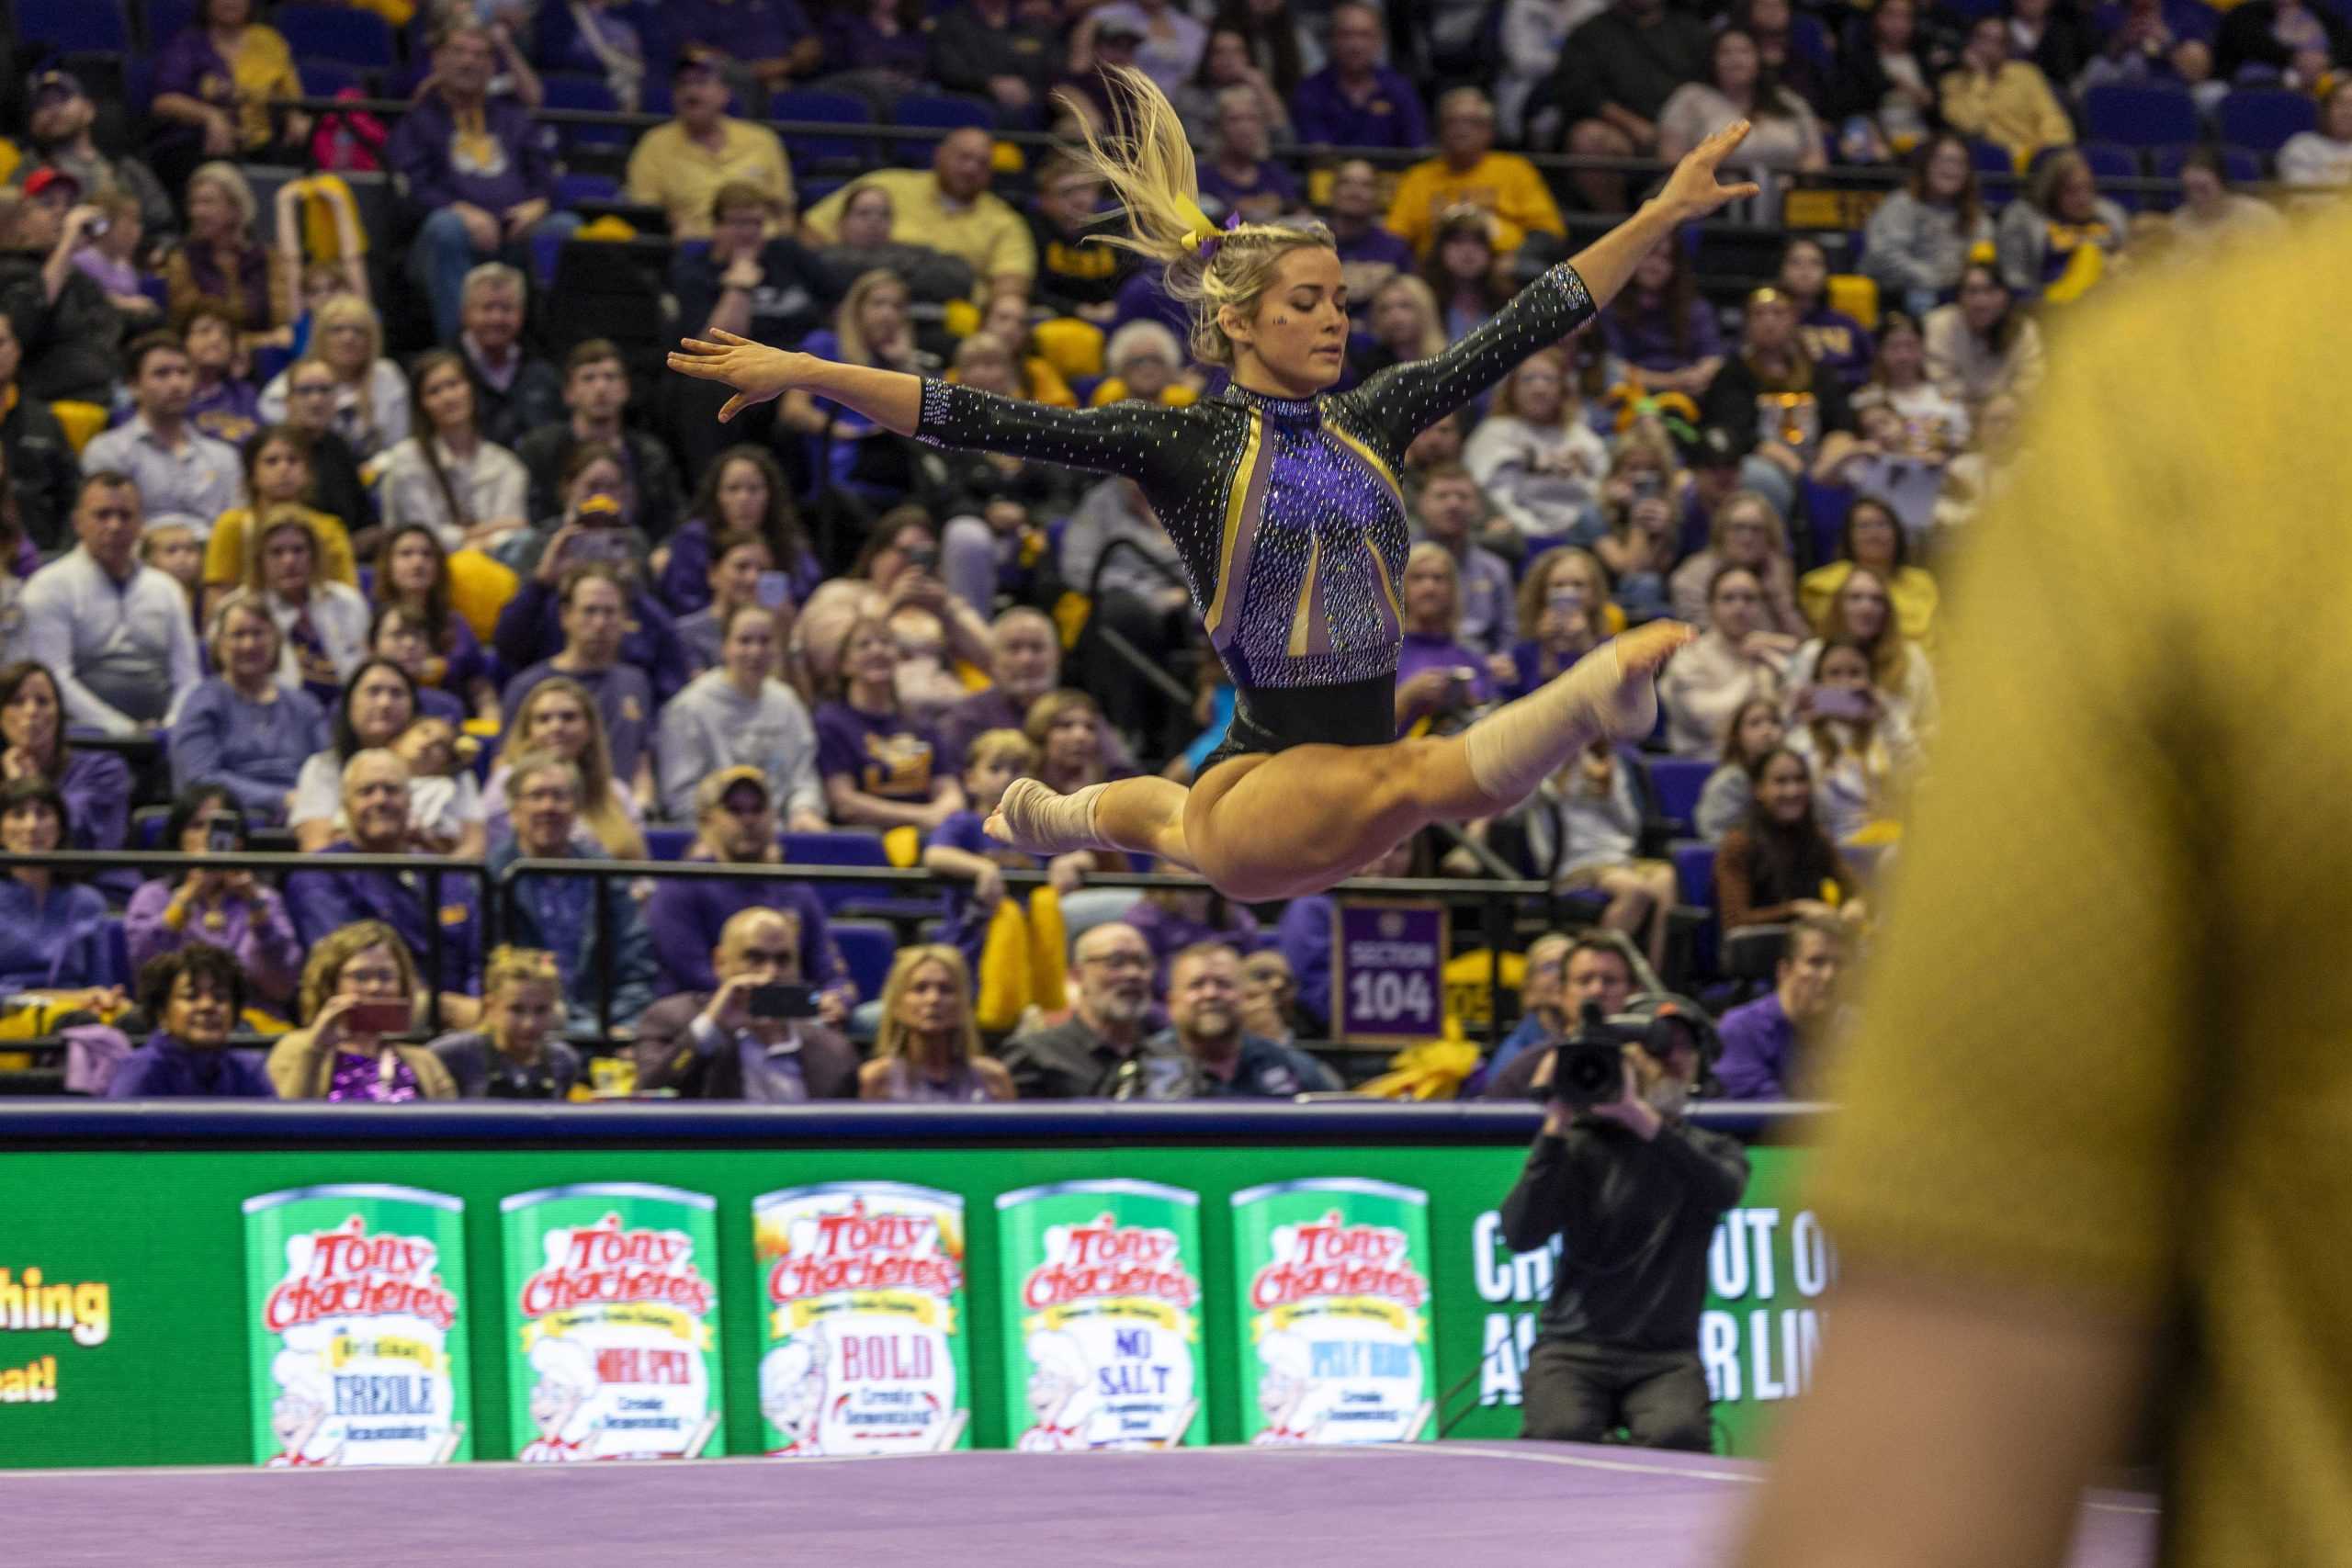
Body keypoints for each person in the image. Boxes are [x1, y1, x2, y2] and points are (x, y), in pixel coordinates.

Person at [672, 75, 1759, 904]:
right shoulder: (1184, 444)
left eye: (1340, 299)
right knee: (1413, 781)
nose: (1335, 319)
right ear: (1238, 321)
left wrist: (1663, 211)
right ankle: (1593, 696)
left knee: (1180, 821)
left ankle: (1056, 816)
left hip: (1275, 789)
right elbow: (974, 414)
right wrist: (808, 370)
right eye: (1305, 302)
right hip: (1281, 783)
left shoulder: (1376, 415)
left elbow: (1540, 312)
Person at [1498, 1006, 1747, 1449]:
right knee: (1560, 1434)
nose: (1673, 1058)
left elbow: (1722, 1191)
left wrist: (1638, 1116)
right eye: (1658, 1048)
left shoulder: (1712, 1151)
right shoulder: (1579, 1145)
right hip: (1573, 1350)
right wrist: (1556, 1125)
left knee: (1679, 1435)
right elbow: (1520, 1235)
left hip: (1666, 1357)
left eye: (1685, 1048)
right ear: (1627, 1062)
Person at [390, 17, 580, 344]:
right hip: (447, 244)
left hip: (515, 236)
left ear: (493, 65)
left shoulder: (512, 117)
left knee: (565, 228)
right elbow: (412, 189)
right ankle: (462, 355)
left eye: (481, 55)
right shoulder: (417, 121)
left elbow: (546, 175)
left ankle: (562, 350)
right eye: (459, 51)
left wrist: (538, 205)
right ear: (437, 59)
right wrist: (461, 210)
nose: (469, 61)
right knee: (445, 227)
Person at [642, 767, 851, 1011]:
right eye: (735, 810)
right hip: (704, 1022)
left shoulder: (795, 888)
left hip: (792, 1022)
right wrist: (806, 1004)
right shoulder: (680, 886)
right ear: (707, 820)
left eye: (757, 809)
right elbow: (700, 982)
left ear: (772, 817)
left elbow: (832, 977)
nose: (749, 820)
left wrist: (834, 1002)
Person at [489, 751, 660, 1031]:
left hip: (601, 1024)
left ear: (576, 808)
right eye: (536, 796)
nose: (548, 807)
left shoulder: (605, 874)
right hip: (518, 1027)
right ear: (514, 809)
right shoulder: (492, 877)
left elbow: (636, 966)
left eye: (559, 796)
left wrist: (621, 1025)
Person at [20, 475, 202, 737]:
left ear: (141, 525)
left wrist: (174, 727)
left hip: (164, 736)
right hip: (86, 739)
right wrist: (125, 730)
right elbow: (54, 679)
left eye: (125, 515)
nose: (114, 526)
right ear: (78, 522)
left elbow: (188, 677)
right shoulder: (49, 587)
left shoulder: (166, 588)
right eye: (102, 515)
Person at [634, 906, 863, 1101]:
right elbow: (650, 1094)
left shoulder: (833, 1049)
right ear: (720, 962)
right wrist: (712, 1026)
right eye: (755, 958)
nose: (770, 973)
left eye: (783, 960)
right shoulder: (671, 1020)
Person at [800, 129, 1035, 308]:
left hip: (952, 319)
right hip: (864, 311)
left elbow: (1011, 285)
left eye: (982, 163)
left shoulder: (1005, 221)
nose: (971, 168)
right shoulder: (886, 185)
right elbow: (810, 233)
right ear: (939, 155)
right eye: (963, 157)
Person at [500, 566, 661, 803]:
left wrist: (641, 804)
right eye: (589, 611)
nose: (600, 622)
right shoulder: (528, 685)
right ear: (565, 615)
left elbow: (641, 761)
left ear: (625, 617)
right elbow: (504, 763)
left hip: (616, 812)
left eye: (610, 612)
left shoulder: (635, 681)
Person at [658, 603, 828, 826]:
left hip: (782, 834)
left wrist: (804, 810)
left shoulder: (787, 703)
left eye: (765, 641)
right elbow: (680, 797)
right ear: (724, 647)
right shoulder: (689, 708)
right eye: (744, 641)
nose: (756, 652)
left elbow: (804, 780)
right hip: (713, 836)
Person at [167, 599, 328, 818]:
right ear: (220, 644)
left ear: (275, 640)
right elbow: (199, 780)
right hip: (230, 818)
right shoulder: (202, 702)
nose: (249, 644)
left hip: (304, 816)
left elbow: (328, 771)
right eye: (238, 635)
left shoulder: (305, 705)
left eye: (258, 633)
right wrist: (279, 799)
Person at [266, 919, 460, 1100]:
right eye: (360, 976)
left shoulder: (424, 1061)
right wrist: (316, 1048)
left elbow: (453, 1129)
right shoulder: (296, 1048)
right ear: (332, 984)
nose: (374, 987)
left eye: (385, 976)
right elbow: (284, 1124)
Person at [1548, 0, 1715, 210]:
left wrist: (1675, 132)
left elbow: (1712, 88)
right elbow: (1577, 91)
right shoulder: (1590, 34)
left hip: (1687, 134)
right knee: (1588, 138)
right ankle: (1620, 230)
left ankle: (1683, 230)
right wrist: (1632, 125)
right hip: (1624, 138)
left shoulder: (1693, 32)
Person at [513, 341, 686, 540]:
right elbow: (527, 516)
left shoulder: (650, 454)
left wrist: (662, 551)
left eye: (610, 377)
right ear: (568, 393)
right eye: (588, 378)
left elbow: (671, 519)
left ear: (626, 389)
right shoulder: (539, 449)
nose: (601, 387)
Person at [999, 919, 1189, 1099]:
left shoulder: (1174, 1059)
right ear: (1078, 976)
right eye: (1116, 962)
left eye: (1142, 962)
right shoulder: (1035, 1055)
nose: (1133, 973)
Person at [814, 615, 964, 831]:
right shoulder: (832, 721)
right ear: (846, 664)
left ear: (898, 658)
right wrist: (922, 817)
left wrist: (944, 810)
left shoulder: (919, 723)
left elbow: (950, 792)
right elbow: (844, 803)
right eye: (864, 645)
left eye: (886, 642)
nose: (877, 650)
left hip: (926, 839)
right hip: (864, 844)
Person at [377, 349, 531, 556]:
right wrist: (481, 533)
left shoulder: (505, 464)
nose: (448, 397)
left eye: (454, 385)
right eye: (434, 391)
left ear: (471, 389)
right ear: (421, 404)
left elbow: (514, 535)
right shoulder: (407, 458)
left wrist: (466, 538)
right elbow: (424, 537)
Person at [83, 333, 245, 530]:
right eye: (162, 373)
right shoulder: (109, 451)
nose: (176, 383)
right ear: (134, 386)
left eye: (183, 372)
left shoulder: (223, 457)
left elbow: (234, 533)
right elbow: (109, 528)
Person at [1384, 87, 1566, 260]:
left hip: (1501, 268)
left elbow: (1548, 231)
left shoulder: (1515, 170)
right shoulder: (1419, 177)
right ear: (1440, 131)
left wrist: (1516, 260)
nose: (1461, 130)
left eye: (1471, 122)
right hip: (1436, 273)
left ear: (1489, 131)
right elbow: (1395, 236)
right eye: (1452, 122)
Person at [624, 59, 794, 243]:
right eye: (683, 84)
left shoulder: (762, 140)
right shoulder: (654, 144)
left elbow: (783, 208)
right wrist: (673, 223)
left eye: (701, 83)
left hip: (761, 242)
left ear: (725, 94)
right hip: (696, 246)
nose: (691, 92)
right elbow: (646, 208)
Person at [1656, 28, 1826, 208]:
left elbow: (1815, 157)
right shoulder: (1690, 99)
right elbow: (1670, 159)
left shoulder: (1788, 101)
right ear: (1712, 60)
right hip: (1709, 206)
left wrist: (1801, 183)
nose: (1736, 60)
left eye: (1744, 51)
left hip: (1785, 204)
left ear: (1758, 59)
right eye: (1726, 52)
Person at [1148, 942, 1337, 1098]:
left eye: (1224, 984)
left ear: (1244, 996)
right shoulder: (1142, 1068)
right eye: (1197, 985)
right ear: (1172, 1003)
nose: (1211, 993)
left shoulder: (1289, 1066)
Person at [656, 445, 821, 621]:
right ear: (717, 495)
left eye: (754, 489)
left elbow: (809, 595)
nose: (743, 499)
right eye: (733, 489)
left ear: (769, 495)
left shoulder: (786, 540)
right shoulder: (694, 539)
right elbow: (683, 602)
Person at [0, 174, 125, 406]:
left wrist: (128, 306)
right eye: (48, 204)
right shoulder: (9, 270)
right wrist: (67, 245)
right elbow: (21, 326)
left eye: (68, 204)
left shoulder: (73, 274)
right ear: (20, 223)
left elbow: (108, 323)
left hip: (105, 396)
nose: (61, 212)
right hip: (51, 407)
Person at [224, 508, 369, 706]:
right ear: (260, 560)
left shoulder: (346, 601)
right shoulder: (237, 610)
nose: (289, 561)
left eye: (298, 550)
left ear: (314, 554)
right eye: (277, 552)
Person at [1463, 352, 1608, 548]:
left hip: (1582, 538)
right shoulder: (1494, 434)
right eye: (1528, 379)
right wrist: (1537, 533)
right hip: (1523, 539)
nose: (1539, 388)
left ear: (1563, 389)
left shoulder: (1581, 436)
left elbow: (1602, 489)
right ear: (1511, 388)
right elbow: (1494, 498)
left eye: (1549, 379)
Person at [1784, 639, 1923, 847]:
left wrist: (1885, 716)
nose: (1845, 682)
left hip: (1895, 844)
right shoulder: (1800, 740)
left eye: (1855, 673)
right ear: (1818, 683)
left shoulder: (1888, 729)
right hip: (1831, 851)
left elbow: (1915, 774)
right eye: (1834, 673)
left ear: (1870, 682)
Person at [11, 70, 175, 242]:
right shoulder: (27, 169)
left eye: (62, 99)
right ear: (33, 123)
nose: (53, 109)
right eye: (42, 105)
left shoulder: (125, 168)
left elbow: (163, 228)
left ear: (89, 109)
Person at [1714, 750, 1864, 932]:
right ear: (1758, 790)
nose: (1793, 790)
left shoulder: (1816, 837)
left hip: (1813, 948)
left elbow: (1856, 889)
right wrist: (1796, 910)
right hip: (1758, 953)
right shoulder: (1738, 843)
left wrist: (1855, 904)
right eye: (1781, 781)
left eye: (1800, 780)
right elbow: (1735, 922)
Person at [1659, 565, 1799, 760]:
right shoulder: (1688, 659)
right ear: (1710, 606)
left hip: (1768, 764)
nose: (1739, 607)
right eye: (1728, 598)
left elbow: (1795, 712)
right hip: (1705, 764)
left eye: (1749, 599)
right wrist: (1749, 668)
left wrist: (1793, 648)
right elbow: (1714, 724)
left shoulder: (1769, 654)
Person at [0, 660, 133, 855]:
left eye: (43, 701)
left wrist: (26, 786)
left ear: (59, 713)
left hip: (90, 881)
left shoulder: (104, 769)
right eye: (17, 702)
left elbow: (83, 836)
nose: (31, 711)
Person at [1793, 566, 1940, 740]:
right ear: (1839, 606)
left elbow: (1930, 726)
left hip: (1898, 757)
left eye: (1877, 600)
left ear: (1888, 610)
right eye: (1855, 598)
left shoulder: (1911, 657)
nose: (1866, 608)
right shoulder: (1812, 653)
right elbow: (1794, 718)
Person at [0, 778, 116, 1000]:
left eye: (42, 814)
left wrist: (105, 999)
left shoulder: (87, 901)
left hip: (79, 1022)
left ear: (60, 827)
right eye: (18, 814)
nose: (31, 825)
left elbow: (101, 984)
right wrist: (61, 998)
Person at [107, 945, 274, 1100]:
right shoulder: (141, 1071)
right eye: (191, 996)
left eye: (220, 997)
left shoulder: (248, 1071)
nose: (207, 1006)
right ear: (162, 1011)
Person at [370, 525, 500, 722]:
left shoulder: (455, 623)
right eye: (406, 554)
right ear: (388, 565)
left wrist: (491, 727)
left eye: (427, 554)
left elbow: (482, 691)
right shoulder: (375, 618)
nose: (418, 562)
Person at [256, 297, 409, 462]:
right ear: (320, 337)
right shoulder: (300, 377)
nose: (348, 338)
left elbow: (399, 446)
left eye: (359, 331)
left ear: (372, 339)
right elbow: (268, 410)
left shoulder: (386, 375)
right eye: (337, 330)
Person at [1713, 912, 1848, 1098]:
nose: (1829, 976)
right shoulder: (1741, 1030)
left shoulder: (1861, 1030)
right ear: (1784, 971)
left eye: (1840, 965)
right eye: (1816, 962)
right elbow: (1768, 1118)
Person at [1862, 135, 1996, 321]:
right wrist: (1933, 279)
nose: (1951, 168)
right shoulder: (1901, 205)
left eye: (1959, 162)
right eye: (1943, 160)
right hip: (1902, 302)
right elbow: (1882, 256)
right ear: (1925, 166)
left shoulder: (1977, 216)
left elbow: (1984, 261)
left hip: (1960, 304)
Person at [857, 945, 1015, 1101]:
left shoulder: (993, 1079)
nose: (933, 999)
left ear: (962, 1004)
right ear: (897, 1004)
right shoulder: (876, 1080)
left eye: (946, 989)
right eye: (920, 989)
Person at [427, 946, 582, 1100]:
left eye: (541, 1010)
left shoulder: (564, 1059)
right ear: (490, 1007)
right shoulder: (451, 1054)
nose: (529, 1024)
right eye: (516, 1009)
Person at [158, 163, 285, 344]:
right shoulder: (182, 261)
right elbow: (187, 328)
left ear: (236, 208)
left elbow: (284, 322)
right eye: (193, 203)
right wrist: (262, 340)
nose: (197, 212)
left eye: (207, 202)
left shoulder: (269, 259)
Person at [1996, 149, 2130, 305]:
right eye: (2072, 191)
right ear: (2052, 191)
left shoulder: (2110, 214)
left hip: (2107, 307)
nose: (2083, 199)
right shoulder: (2025, 218)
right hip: (2050, 308)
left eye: (2088, 188)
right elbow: (2015, 279)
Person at [1667, 491, 1808, 637]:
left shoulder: (1776, 572)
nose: (1747, 538)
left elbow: (1803, 643)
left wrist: (1781, 601)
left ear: (1770, 537)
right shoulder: (1692, 577)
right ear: (1721, 532)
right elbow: (1703, 637)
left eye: (1757, 529)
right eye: (1738, 528)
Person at [1940, 16, 2074, 171]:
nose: (1987, 47)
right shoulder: (1951, 83)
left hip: (2033, 159)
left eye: (1997, 41)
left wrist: (2047, 155)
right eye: (1982, 38)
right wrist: (1978, 77)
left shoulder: (2027, 74)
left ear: (2006, 49)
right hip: (1988, 165)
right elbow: (1972, 126)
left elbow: (2051, 118)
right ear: (1969, 41)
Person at [453, 263, 563, 450]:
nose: (497, 318)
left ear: (521, 314)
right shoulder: (446, 374)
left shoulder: (543, 376)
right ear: (465, 313)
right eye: (487, 308)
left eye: (506, 309)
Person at [1600, 239, 1724, 399]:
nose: (1655, 266)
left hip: (1690, 393)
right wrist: (1670, 382)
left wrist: (1697, 376)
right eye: (1649, 255)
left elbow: (1713, 359)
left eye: (1665, 258)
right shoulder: (1611, 308)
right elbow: (1613, 367)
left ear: (1676, 266)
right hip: (1633, 396)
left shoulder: (1696, 308)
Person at [1292, 3, 1428, 149]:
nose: (1356, 45)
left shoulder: (1400, 89)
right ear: (1331, 39)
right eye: (1346, 35)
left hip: (1394, 172)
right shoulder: (1311, 91)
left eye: (1364, 35)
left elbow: (1416, 149)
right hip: (1331, 171)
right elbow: (1317, 152)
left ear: (1380, 40)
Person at [1924, 264, 2047, 420]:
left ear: (2005, 295)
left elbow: (2032, 375)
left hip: (2009, 413)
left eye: (1990, 291)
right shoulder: (1939, 324)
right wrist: (1973, 408)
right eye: (1972, 291)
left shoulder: (2024, 329)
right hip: (1956, 412)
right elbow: (1939, 376)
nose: (1980, 301)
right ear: (1960, 297)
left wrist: (2010, 400)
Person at [0, 312, 80, 552]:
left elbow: (73, 495)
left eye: (0, 343)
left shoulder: (43, 420)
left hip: (44, 559)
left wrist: (62, 556)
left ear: (16, 350)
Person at [2160, 147, 2288, 261]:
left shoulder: (2261, 215)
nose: (2196, 198)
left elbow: (2286, 258)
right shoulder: (2178, 223)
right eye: (2189, 189)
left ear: (2221, 184)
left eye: (2203, 189)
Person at [1695, 695, 1787, 841]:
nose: (1767, 730)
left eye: (1774, 722)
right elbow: (1714, 834)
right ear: (1737, 736)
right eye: (1755, 723)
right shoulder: (1728, 781)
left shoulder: (1790, 778)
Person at [2278, 79, 2352, 192]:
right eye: (2340, 103)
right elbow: (2303, 196)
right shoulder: (2301, 147)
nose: (2347, 112)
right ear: (2326, 109)